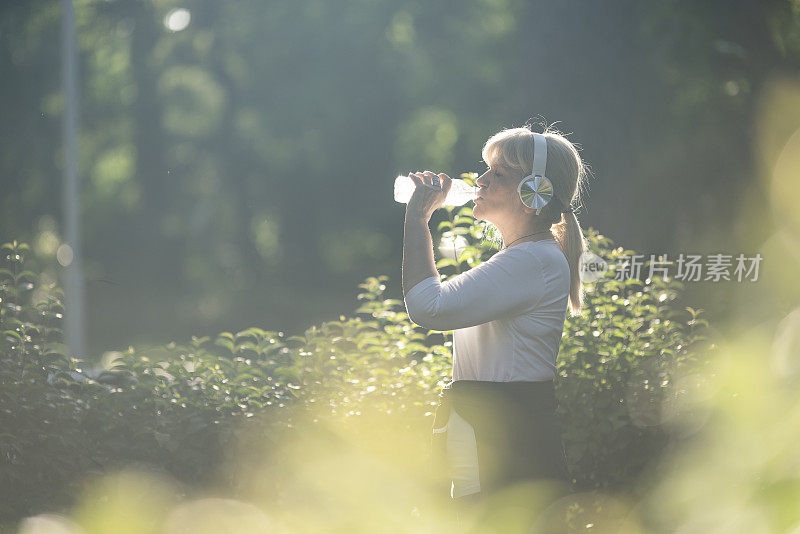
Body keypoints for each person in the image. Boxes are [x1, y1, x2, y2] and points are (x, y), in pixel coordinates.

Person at [401, 123, 589, 529]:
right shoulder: (524, 258)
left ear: (534, 192)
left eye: (498, 174)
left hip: (509, 443)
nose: (480, 181)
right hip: (496, 436)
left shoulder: (532, 261)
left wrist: (418, 219)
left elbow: (427, 307)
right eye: (485, 170)